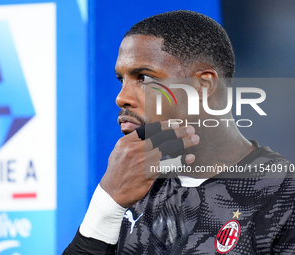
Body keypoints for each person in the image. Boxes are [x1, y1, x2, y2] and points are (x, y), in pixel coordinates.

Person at [63, 10, 295, 254]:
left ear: (203, 85)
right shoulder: (131, 188)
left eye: (143, 77)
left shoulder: (283, 195)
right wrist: (105, 206)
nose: (122, 98)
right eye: (121, 80)